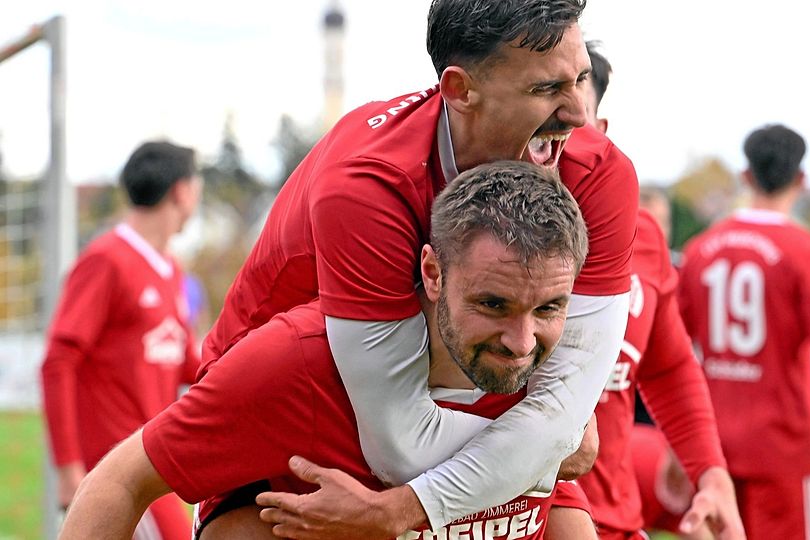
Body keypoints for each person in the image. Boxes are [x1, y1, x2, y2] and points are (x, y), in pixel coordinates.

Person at [201, 0, 640, 535]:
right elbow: (401, 448)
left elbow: (566, 418)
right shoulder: (368, 183)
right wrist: (545, 439)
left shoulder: (598, 172)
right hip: (320, 427)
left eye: (581, 80)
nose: (578, 113)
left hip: (475, 409)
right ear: (458, 91)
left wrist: (548, 437)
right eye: (546, 89)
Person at [61, 161, 595, 540]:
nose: (522, 342)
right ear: (433, 273)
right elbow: (120, 480)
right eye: (493, 304)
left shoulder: (550, 383)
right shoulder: (301, 361)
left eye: (549, 308)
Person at [547, 42, 741, 540]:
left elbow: (668, 364)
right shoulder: (475, 234)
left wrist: (710, 472)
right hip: (513, 524)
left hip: (616, 520)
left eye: (571, 123)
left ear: (599, 133)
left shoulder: (645, 237)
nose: (551, 142)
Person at [677, 124, 810, 539]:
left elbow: (672, 352)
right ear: (801, 179)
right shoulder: (809, 254)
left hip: (713, 450)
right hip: (783, 452)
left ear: (746, 177)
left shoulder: (700, 251)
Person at [41, 141, 202, 539]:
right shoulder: (106, 260)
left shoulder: (170, 269)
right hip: (114, 470)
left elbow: (188, 363)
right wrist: (68, 468)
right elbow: (58, 361)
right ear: (181, 191)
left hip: (153, 460)